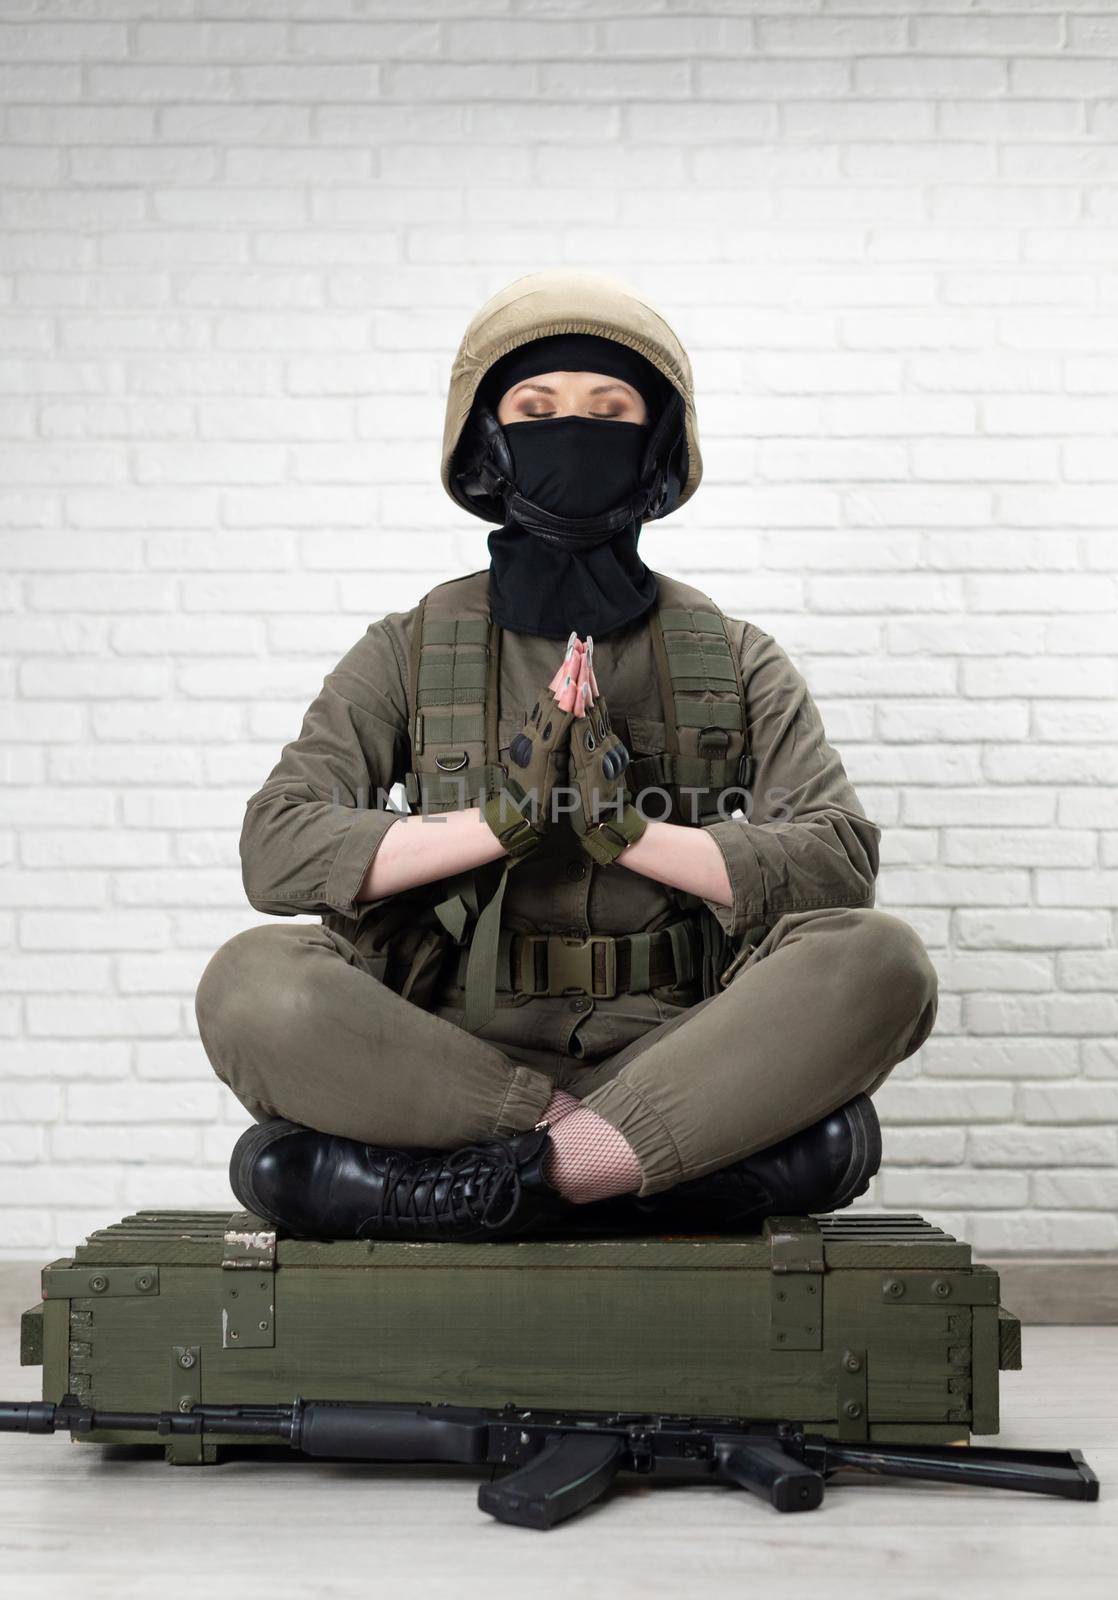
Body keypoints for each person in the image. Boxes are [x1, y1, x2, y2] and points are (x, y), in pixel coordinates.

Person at [194, 268, 938, 1243]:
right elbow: (276, 850)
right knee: (253, 981)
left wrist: (627, 835)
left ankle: (511, 1184)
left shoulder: (730, 653)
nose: (572, 431)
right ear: (491, 442)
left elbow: (837, 859)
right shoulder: (411, 647)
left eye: (609, 408)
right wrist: (500, 821)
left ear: (657, 441)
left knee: (881, 961)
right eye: (536, 409)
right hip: (446, 1055)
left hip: (680, 1053)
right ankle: (605, 1163)